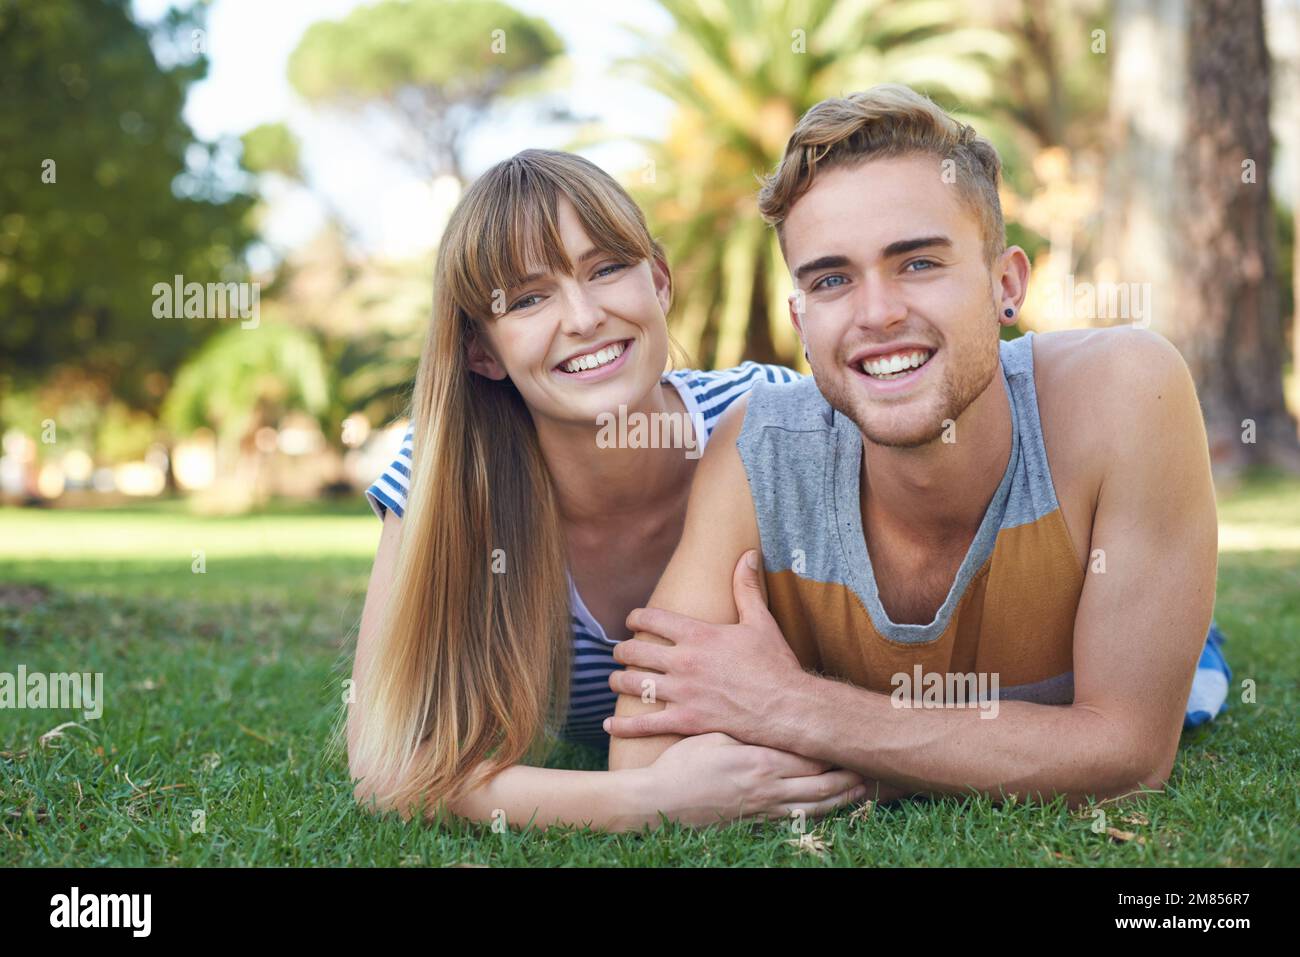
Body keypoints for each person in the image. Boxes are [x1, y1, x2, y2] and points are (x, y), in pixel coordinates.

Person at [605, 84, 1232, 808]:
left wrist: (790, 707)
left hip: (1123, 606)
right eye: (833, 279)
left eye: (918, 263)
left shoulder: (1126, 391)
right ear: (800, 322)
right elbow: (644, 758)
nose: (878, 313)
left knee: (1182, 673)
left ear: (1007, 283)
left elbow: (1126, 752)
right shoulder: (759, 447)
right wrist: (1010, 749)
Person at [347, 148, 868, 830]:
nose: (584, 316)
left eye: (606, 269)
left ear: (658, 280)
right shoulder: (443, 478)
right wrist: (646, 800)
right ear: (483, 352)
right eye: (530, 298)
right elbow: (385, 767)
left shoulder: (770, 412)